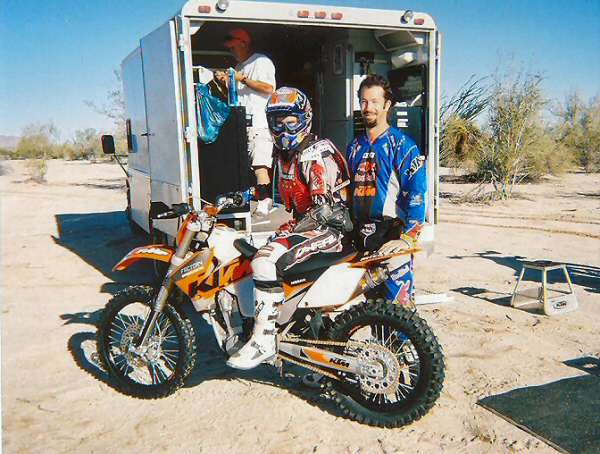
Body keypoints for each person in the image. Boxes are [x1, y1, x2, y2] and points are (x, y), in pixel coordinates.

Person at [227, 87, 352, 370]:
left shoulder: (314, 154)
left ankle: (264, 339)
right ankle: (289, 325)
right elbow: (276, 195)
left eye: (290, 121)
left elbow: (325, 210)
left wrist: (287, 232)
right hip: (309, 225)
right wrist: (246, 196)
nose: (283, 128)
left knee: (263, 261)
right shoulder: (288, 155)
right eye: (277, 121)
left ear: (304, 118)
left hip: (329, 230)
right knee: (253, 253)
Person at [347, 74, 427, 305]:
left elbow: (417, 194)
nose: (367, 107)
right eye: (363, 101)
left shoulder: (403, 145)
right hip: (361, 240)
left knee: (398, 312)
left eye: (374, 101)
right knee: (373, 312)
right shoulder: (354, 147)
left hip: (391, 237)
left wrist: (408, 238)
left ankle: (404, 343)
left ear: (387, 105)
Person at [214, 28, 276, 216]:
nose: (231, 51)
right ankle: (251, 200)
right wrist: (225, 83)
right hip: (242, 125)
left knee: (260, 164)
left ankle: (266, 200)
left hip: (260, 124)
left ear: (244, 43)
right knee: (246, 165)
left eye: (233, 46)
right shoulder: (239, 67)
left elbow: (269, 88)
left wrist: (243, 79)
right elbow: (236, 98)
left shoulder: (260, 61)